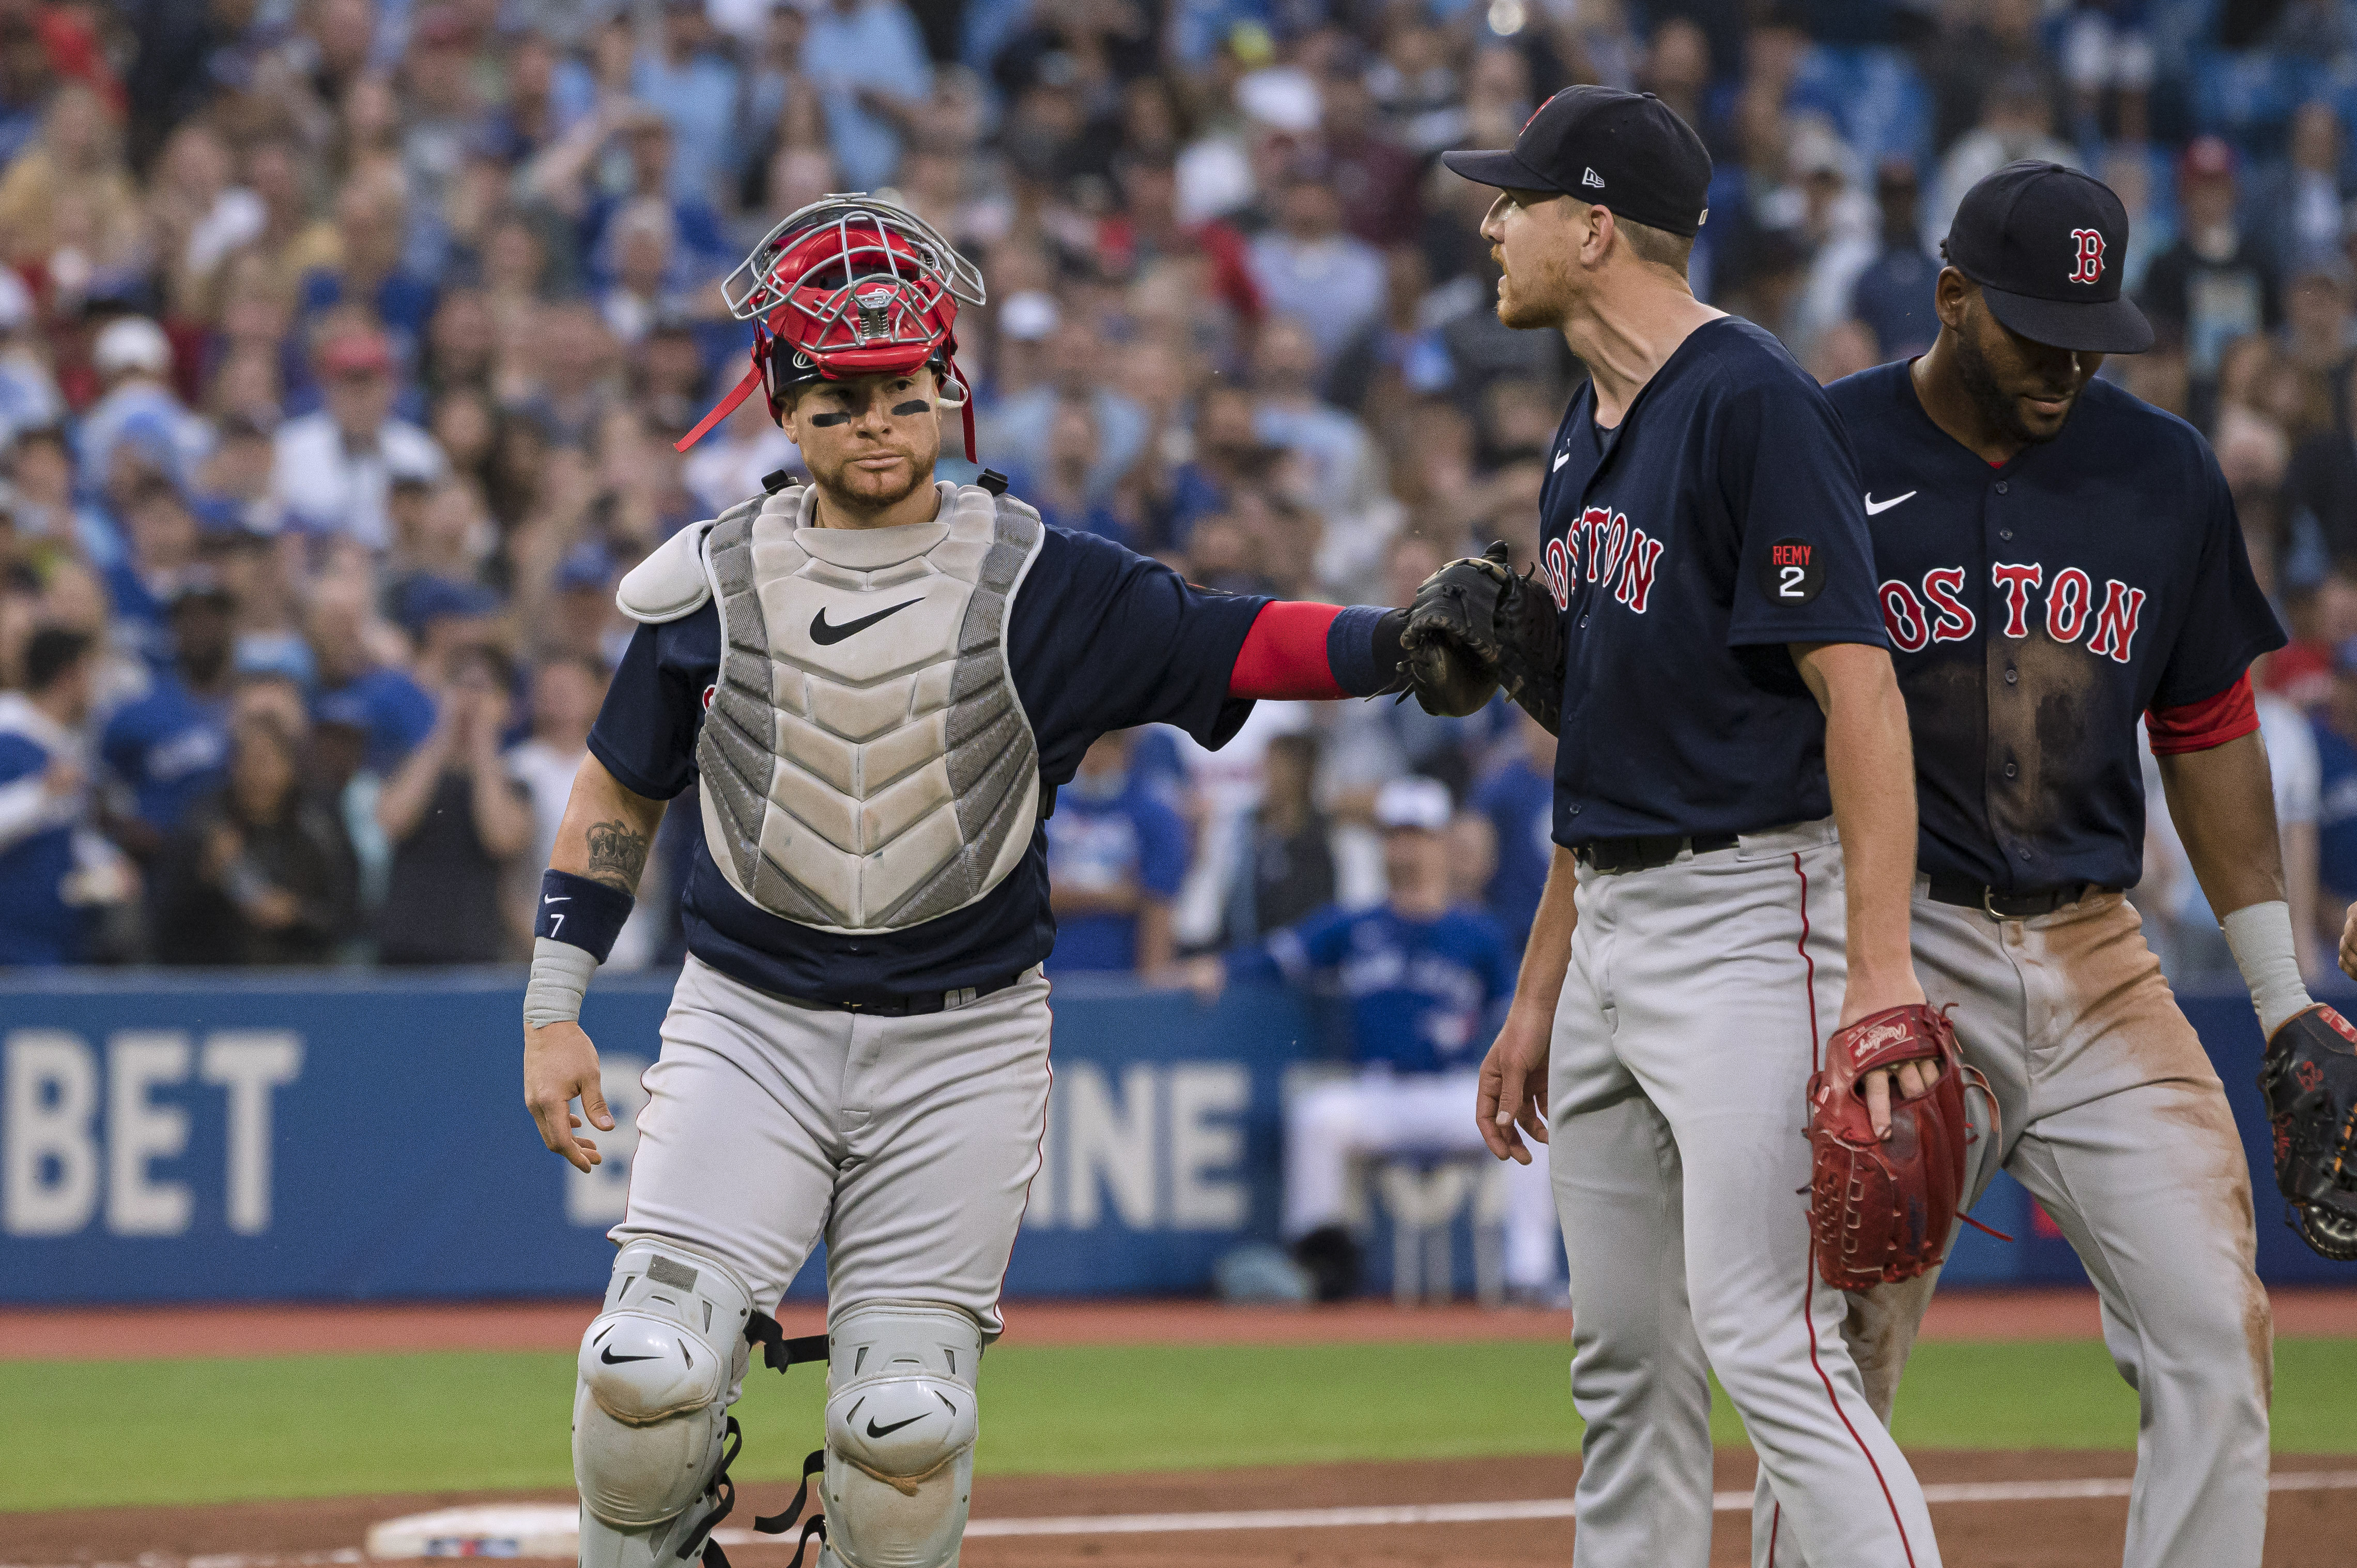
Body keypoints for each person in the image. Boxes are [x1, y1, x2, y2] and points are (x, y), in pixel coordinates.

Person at [517, 194, 1418, 1568]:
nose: (872, 419)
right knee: (644, 1371)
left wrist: (1404, 639)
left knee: (904, 1427)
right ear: (778, 400)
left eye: (897, 387)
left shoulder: (1049, 578)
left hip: (965, 1036)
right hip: (748, 1017)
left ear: (947, 384)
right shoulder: (709, 581)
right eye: (836, 392)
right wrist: (553, 1003)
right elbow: (618, 786)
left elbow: (1235, 643)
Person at [1441, 88, 1944, 1567]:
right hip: (1608, 921)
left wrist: (1877, 972)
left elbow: (1862, 694)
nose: (1490, 223)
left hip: (1747, 916)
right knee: (1625, 1363)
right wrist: (1540, 990)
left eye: (1514, 201)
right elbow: (1601, 743)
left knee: (1771, 1342)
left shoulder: (1749, 399)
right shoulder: (1579, 436)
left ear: (1593, 227)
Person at [1819, 161, 2300, 1568]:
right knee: (1843, 1351)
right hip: (1894, 942)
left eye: (2091, 332)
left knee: (2217, 1328)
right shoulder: (1822, 446)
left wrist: (2279, 999)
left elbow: (2207, 726)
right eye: (2037, 328)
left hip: (2098, 955)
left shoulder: (2163, 472)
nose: (2069, 363)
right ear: (1951, 297)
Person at [1188, 775, 1557, 1301]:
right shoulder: (1354, 923)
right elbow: (1276, 957)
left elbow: (1515, 1012)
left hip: (1457, 1090)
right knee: (1318, 1115)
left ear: (1441, 843)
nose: (1404, 849)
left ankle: (1529, 1275)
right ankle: (1317, 1272)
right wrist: (1217, 969)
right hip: (1380, 1092)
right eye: (1394, 836)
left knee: (1530, 1121)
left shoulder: (1478, 931)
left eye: (1417, 835)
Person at [151, 712, 356, 965]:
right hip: (219, 982)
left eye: (266, 761)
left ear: (290, 766)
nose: (256, 775)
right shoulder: (203, 823)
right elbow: (164, 920)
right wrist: (204, 877)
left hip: (302, 980)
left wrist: (297, 913)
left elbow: (350, 914)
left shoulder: (320, 822)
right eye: (246, 762)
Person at [375, 642, 534, 964]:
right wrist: (443, 734)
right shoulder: (413, 765)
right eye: (460, 685)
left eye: (483, 690)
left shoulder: (515, 783)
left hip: (476, 952)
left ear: (504, 704)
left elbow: (502, 839)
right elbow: (393, 822)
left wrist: (484, 743)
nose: (470, 700)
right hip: (402, 951)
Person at [0, 628, 105, 965]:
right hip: (10, 943)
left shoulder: (68, 744)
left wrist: (105, 862)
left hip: (56, 940)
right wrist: (42, 791)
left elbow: (67, 833)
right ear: (68, 675)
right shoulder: (9, 735)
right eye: (88, 671)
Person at [1044, 728, 1189, 974]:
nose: (1095, 755)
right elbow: (1035, 896)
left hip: (1122, 980)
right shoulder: (1045, 809)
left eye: (1108, 744)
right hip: (1049, 975)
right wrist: (1116, 895)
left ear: (1126, 748)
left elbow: (1158, 907)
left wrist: (1151, 991)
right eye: (1088, 743)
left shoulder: (1157, 816)